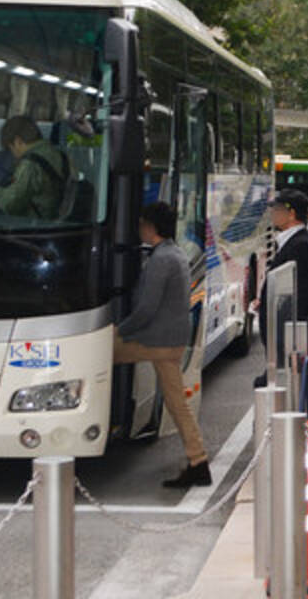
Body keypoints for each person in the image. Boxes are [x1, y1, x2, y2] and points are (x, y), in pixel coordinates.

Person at [113, 202, 210, 488]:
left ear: (151, 227)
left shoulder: (161, 260)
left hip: (157, 342)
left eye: (143, 224)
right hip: (171, 341)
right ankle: (198, 460)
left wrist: (120, 329)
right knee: (177, 403)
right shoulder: (175, 253)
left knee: (99, 353)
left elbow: (146, 309)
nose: (140, 229)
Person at [253, 189, 308, 388]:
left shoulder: (300, 245)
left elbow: (302, 294)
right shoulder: (294, 242)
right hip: (284, 337)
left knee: (281, 387)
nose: (273, 214)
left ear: (291, 214)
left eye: (276, 209)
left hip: (287, 337)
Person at [0, 116, 68, 219]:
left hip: (33, 227)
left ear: (18, 141)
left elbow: (11, 204)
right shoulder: (57, 154)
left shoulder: (30, 164)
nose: (13, 155)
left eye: (10, 148)